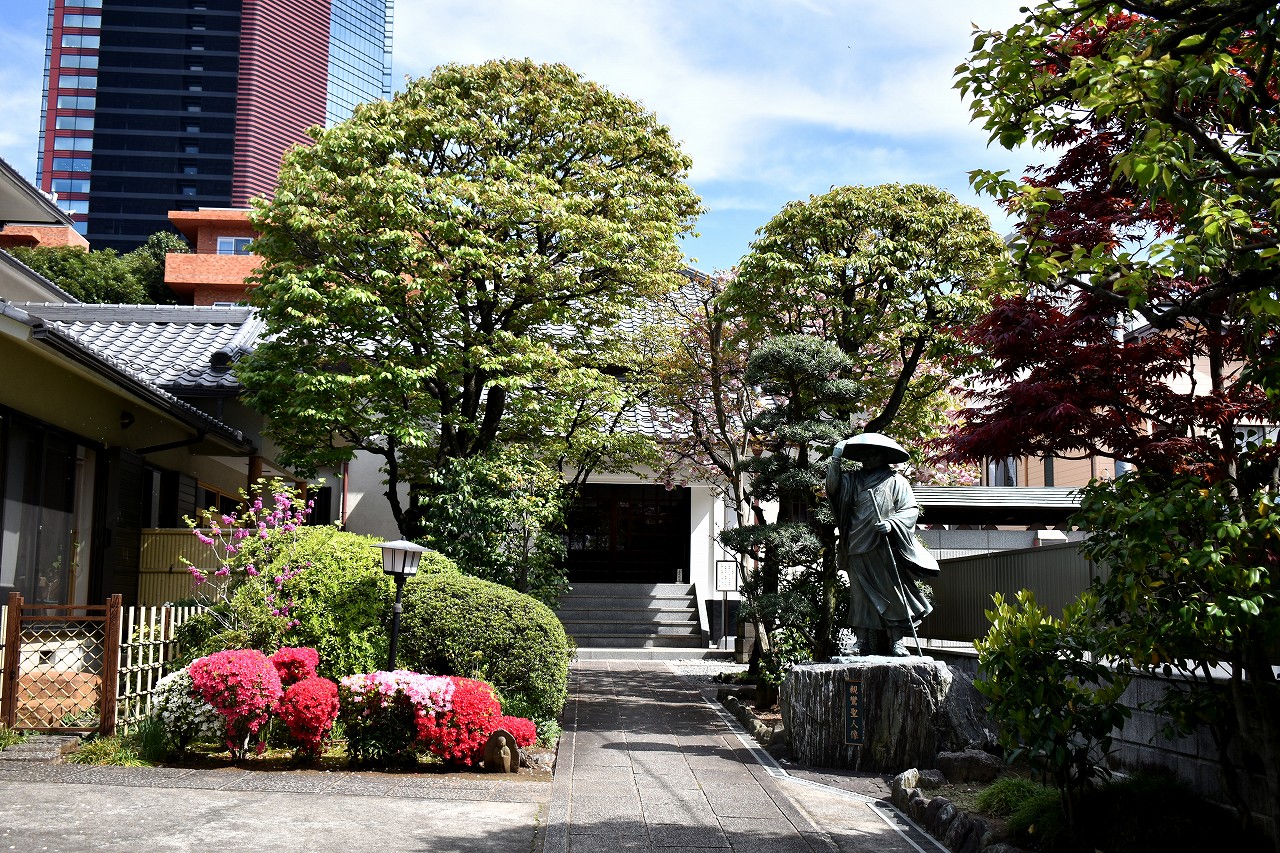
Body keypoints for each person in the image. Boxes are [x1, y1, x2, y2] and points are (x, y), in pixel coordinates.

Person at [826, 432, 938, 657]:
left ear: (884, 456)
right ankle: (861, 641)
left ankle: (897, 641)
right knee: (860, 596)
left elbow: (910, 510)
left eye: (872, 454)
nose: (867, 458)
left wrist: (892, 523)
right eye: (864, 454)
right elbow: (832, 489)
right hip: (857, 543)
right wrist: (836, 459)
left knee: (893, 592)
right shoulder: (852, 479)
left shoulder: (896, 481)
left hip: (884, 546)